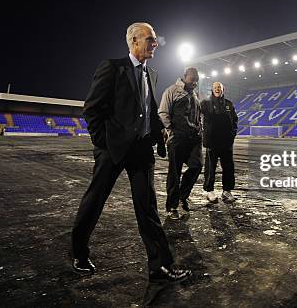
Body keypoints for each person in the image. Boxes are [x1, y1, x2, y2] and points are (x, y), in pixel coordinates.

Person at [71, 22, 190, 284]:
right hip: (112, 149)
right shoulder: (112, 68)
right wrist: (102, 142)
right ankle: (78, 253)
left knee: (147, 208)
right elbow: (91, 109)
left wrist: (159, 136)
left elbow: (148, 109)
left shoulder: (151, 74)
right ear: (135, 41)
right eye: (151, 39)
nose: (155, 44)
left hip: (140, 150)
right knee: (95, 201)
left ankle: (160, 266)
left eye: (155, 40)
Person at [158, 67, 203, 216]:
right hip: (178, 139)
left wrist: (199, 129)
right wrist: (171, 131)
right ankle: (172, 206)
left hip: (194, 139)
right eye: (192, 80)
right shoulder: (171, 91)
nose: (195, 83)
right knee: (174, 173)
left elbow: (197, 115)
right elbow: (163, 112)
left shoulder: (194, 94)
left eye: (197, 81)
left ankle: (183, 196)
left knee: (197, 165)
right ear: (185, 77)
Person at [200, 82, 238, 203]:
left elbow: (235, 120)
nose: (217, 89)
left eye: (219, 88)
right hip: (212, 142)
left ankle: (227, 191)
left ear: (223, 90)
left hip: (226, 142)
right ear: (212, 89)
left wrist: (232, 134)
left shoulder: (228, 104)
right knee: (210, 168)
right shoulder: (205, 104)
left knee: (228, 167)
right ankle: (209, 191)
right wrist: (204, 135)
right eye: (215, 87)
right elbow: (197, 118)